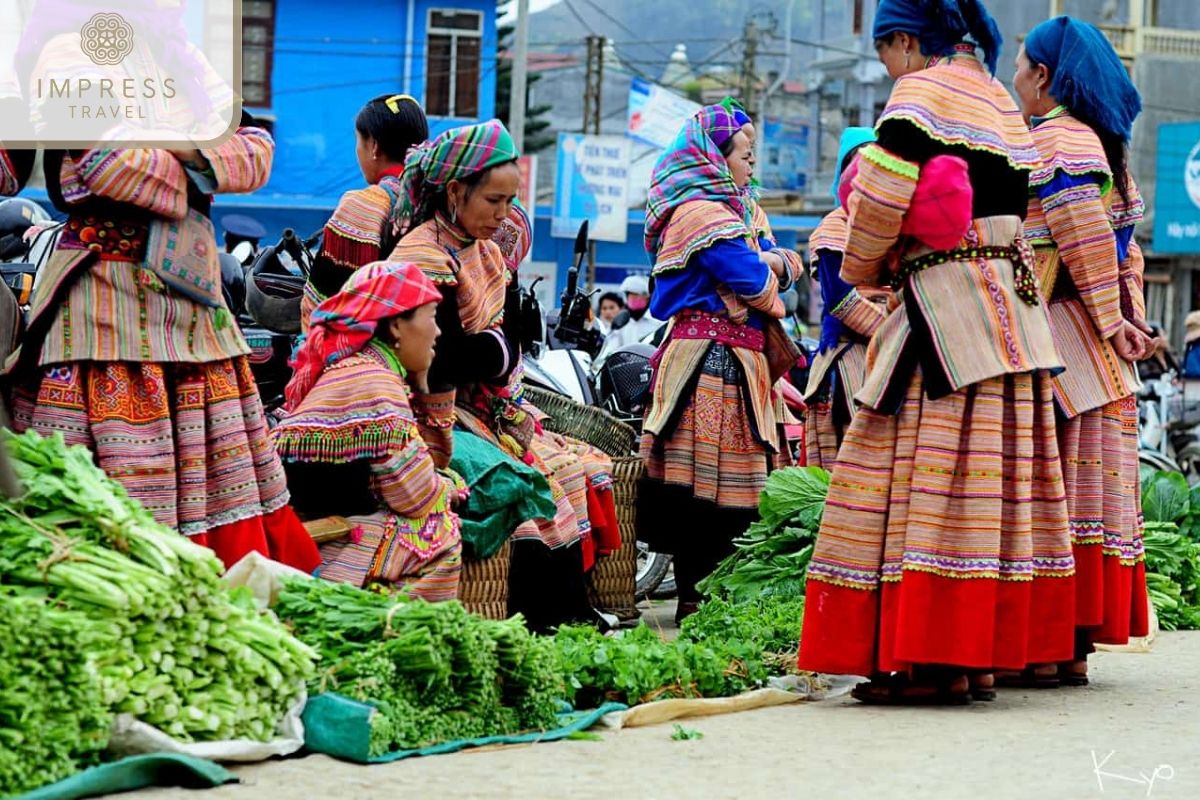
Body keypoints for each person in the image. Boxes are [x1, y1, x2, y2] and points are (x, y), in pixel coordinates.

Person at [797, 0, 1075, 704]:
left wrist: (864, 264)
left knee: (921, 477)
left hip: (942, 311)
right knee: (991, 487)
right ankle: (978, 659)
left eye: (885, 53)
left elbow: (882, 201)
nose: (887, 68)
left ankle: (932, 661)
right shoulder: (1002, 101)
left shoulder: (919, 95)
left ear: (903, 41)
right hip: (1010, 311)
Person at [4, 123, 321, 572]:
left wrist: (181, 150)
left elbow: (258, 151)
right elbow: (109, 168)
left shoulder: (180, 74)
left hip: (193, 307)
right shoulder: (76, 65)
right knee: (94, 513)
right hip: (103, 307)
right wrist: (201, 161)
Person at [388, 120, 618, 630]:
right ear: (455, 191)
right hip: (425, 411)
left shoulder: (487, 253)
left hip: (480, 405)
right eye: (493, 200)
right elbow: (444, 359)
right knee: (529, 482)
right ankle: (546, 623)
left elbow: (501, 344)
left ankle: (568, 618)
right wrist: (495, 352)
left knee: (570, 469)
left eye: (511, 201)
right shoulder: (421, 256)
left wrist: (493, 353)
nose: (503, 214)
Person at [1012, 15, 1153, 686]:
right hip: (1101, 355)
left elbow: (1082, 242)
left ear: (1044, 75)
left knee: (1050, 499)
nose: (1013, 79)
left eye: (1019, 66)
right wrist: (1128, 320)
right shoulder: (1106, 149)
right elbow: (1128, 255)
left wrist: (1109, 317)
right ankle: (1068, 649)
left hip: (1059, 340)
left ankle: (1043, 649)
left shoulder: (1058, 142)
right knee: (1082, 502)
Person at [638, 104, 803, 624]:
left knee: (739, 491)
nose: (753, 164)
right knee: (701, 491)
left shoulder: (743, 211)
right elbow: (758, 283)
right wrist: (773, 268)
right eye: (745, 154)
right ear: (713, 158)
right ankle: (695, 597)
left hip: (743, 363)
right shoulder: (698, 214)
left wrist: (769, 267)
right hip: (709, 366)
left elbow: (769, 272)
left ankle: (717, 598)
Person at [272, 261, 465, 600]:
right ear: (395, 326)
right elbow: (415, 496)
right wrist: (449, 488)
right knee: (438, 531)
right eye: (431, 316)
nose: (437, 332)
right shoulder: (375, 382)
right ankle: (391, 625)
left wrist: (420, 386)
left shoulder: (364, 369)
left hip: (331, 511)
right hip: (330, 528)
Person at [300, 94, 430, 331]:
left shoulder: (363, 206)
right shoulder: (439, 197)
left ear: (374, 146)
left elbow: (322, 303)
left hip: (375, 354)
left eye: (358, 141)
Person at [803, 127, 889, 470]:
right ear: (845, 174)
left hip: (893, 346)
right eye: (860, 166)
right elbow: (840, 301)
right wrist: (896, 330)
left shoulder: (892, 225)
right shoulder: (834, 229)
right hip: (850, 352)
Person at [595, 274, 663, 366]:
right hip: (625, 371)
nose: (632, 299)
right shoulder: (622, 321)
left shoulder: (658, 321)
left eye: (636, 295)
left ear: (647, 297)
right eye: (630, 295)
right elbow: (611, 350)